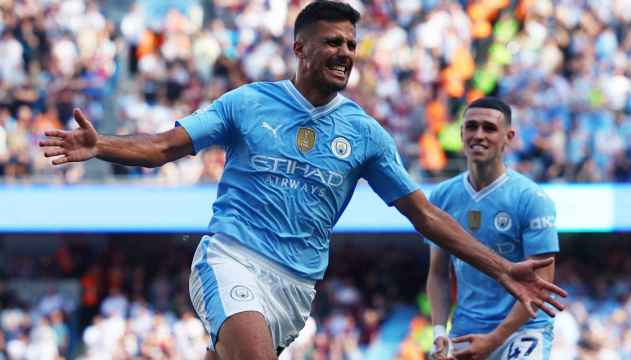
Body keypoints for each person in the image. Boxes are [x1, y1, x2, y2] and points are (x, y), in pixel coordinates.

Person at [39, 2, 565, 359]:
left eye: (352, 45)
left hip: (296, 289)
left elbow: (424, 215)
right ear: (300, 47)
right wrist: (100, 144)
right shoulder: (248, 103)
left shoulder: (365, 134)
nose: (345, 53)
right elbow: (161, 147)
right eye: (333, 42)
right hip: (231, 258)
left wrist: (502, 270)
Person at [427, 97, 560, 360]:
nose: (479, 135)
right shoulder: (442, 196)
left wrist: (495, 339)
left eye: (489, 128)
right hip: (467, 329)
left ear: (508, 137)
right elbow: (439, 273)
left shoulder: (531, 198)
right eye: (472, 127)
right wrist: (440, 331)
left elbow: (541, 285)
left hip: (524, 329)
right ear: (461, 132)